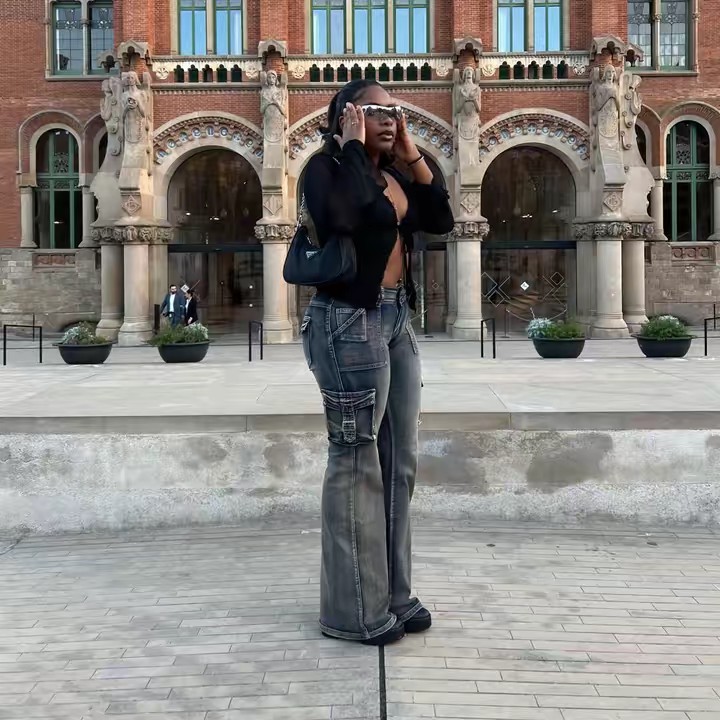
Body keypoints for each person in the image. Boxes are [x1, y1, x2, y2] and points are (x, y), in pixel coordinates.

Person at [300, 79, 454, 646]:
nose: (390, 118)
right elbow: (345, 215)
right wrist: (349, 149)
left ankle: (393, 594)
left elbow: (441, 218)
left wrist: (411, 155)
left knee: (399, 461)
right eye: (375, 110)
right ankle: (353, 611)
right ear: (346, 116)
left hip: (395, 320)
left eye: (395, 111)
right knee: (355, 459)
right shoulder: (325, 169)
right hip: (346, 320)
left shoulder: (395, 175)